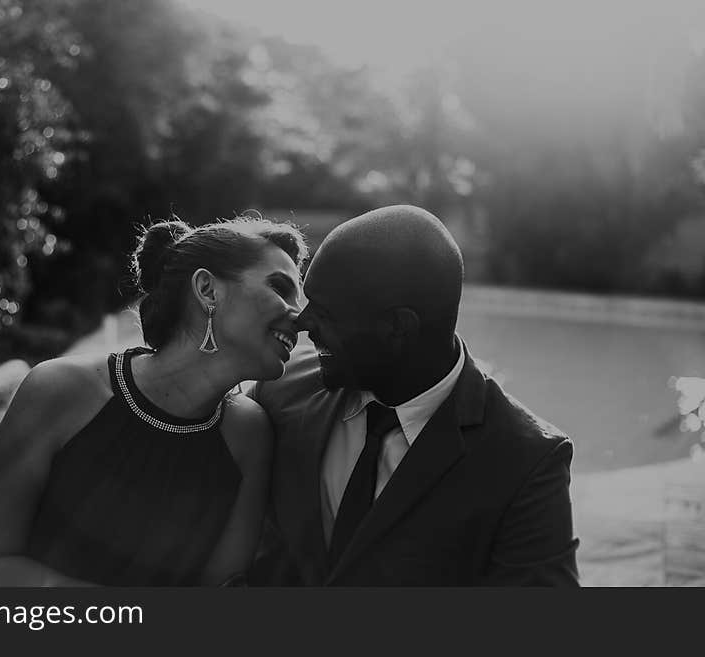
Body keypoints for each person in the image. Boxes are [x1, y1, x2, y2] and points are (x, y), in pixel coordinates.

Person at [0, 216, 307, 586]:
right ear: (207, 289)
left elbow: (222, 589)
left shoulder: (250, 436)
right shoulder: (60, 390)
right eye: (280, 288)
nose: (299, 317)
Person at [248, 205, 580, 586]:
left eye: (325, 312)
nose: (303, 323)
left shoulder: (527, 462)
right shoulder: (281, 387)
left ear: (397, 328)